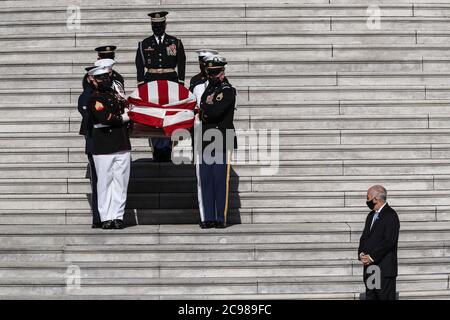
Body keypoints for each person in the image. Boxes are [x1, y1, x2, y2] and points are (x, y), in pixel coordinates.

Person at [135, 11, 186, 162]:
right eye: (154, 25)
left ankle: (168, 148)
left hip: (170, 81)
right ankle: (157, 149)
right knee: (155, 117)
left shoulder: (174, 42)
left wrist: (181, 83)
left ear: (165, 25)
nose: (157, 28)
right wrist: (141, 86)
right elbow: (139, 65)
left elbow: (181, 62)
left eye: (160, 25)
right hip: (151, 81)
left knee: (169, 116)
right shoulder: (144, 43)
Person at [195, 55, 237, 229]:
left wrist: (204, 113)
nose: (213, 76)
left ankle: (220, 217)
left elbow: (215, 112)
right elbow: (204, 106)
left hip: (221, 138)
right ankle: (208, 217)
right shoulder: (208, 90)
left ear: (222, 73)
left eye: (216, 73)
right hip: (206, 138)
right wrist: (206, 111)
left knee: (220, 179)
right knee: (206, 179)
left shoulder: (228, 90)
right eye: (210, 73)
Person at [87, 65, 132, 230]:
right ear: (95, 80)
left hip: (121, 143)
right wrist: (125, 117)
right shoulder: (94, 98)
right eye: (101, 78)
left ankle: (118, 217)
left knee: (121, 182)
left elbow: (125, 108)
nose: (105, 80)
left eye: (107, 77)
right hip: (104, 145)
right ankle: (106, 217)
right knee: (105, 183)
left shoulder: (116, 95)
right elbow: (105, 118)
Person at [358, 185, 400, 300]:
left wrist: (372, 257)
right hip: (371, 269)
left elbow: (389, 241)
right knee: (371, 297)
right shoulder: (371, 215)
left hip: (383, 269)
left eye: (368, 198)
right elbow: (364, 237)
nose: (367, 201)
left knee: (383, 297)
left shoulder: (391, 215)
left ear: (376, 199)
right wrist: (362, 253)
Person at [78, 66, 101, 228]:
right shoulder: (86, 96)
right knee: (98, 182)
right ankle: (98, 217)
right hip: (95, 142)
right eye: (97, 77)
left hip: (110, 143)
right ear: (89, 79)